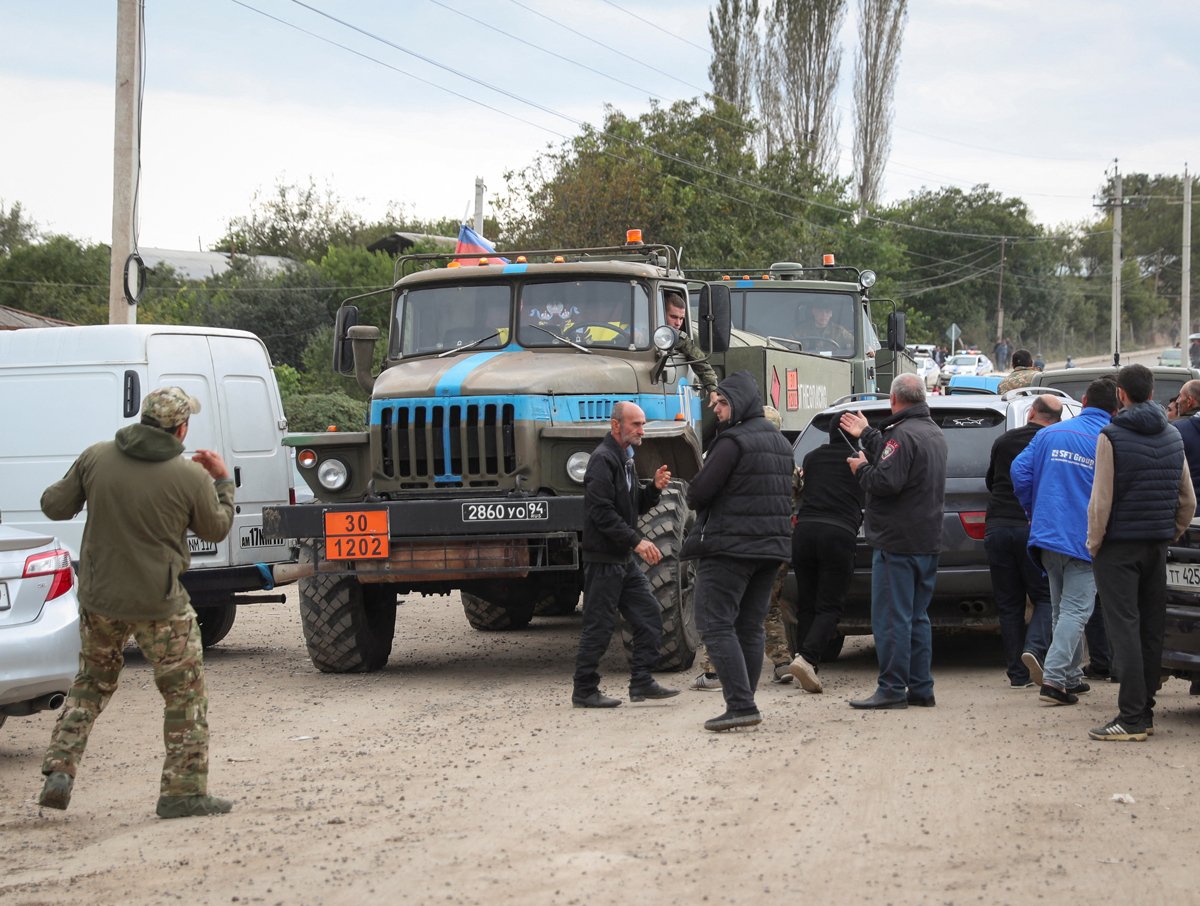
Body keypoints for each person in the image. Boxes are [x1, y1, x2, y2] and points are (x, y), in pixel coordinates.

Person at [37, 387, 236, 818]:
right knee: (184, 694)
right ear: (182, 428)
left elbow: (53, 506)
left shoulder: (97, 456)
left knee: (90, 684)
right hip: (160, 603)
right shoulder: (189, 477)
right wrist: (222, 481)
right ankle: (182, 793)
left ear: (143, 419)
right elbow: (217, 529)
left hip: (99, 597)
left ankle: (60, 770)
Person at [681, 371, 794, 732]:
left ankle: (740, 704)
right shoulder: (780, 443)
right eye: (715, 403)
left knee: (714, 623)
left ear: (741, 402)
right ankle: (746, 702)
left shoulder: (731, 443)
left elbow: (699, 493)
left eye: (723, 402)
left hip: (730, 547)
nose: (717, 409)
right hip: (771, 550)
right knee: (748, 625)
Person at [1086, 364, 1194, 740]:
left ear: (1121, 394)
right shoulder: (1172, 435)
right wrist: (1170, 533)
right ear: (1151, 392)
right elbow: (1188, 500)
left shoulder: (1111, 435)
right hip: (1157, 545)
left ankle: (1130, 718)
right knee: (1150, 629)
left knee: (1124, 630)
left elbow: (1101, 501)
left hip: (1117, 548)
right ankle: (1144, 712)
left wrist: (1094, 544)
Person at [839, 373, 948, 710]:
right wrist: (870, 435)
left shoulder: (901, 436)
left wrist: (860, 468)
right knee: (916, 616)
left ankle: (891, 688)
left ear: (894, 400)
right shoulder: (932, 432)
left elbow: (886, 480)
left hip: (897, 542)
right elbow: (897, 461)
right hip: (926, 540)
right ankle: (920, 686)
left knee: (891, 618)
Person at [1010, 378, 1119, 706]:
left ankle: (1071, 675)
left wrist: (1034, 508)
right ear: (1117, 408)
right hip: (1082, 538)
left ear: (1083, 401)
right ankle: (1056, 679)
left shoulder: (1048, 433)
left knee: (1061, 608)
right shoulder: (1109, 438)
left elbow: (1019, 471)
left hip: (1046, 536)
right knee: (1077, 609)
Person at [571, 401, 679, 708]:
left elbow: (632, 507)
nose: (642, 430)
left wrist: (654, 490)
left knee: (649, 617)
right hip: (604, 560)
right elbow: (601, 513)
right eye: (636, 425)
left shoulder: (626, 459)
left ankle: (641, 682)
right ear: (616, 425)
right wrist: (638, 542)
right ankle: (584, 690)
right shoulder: (602, 460)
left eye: (643, 424)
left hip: (623, 561)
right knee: (599, 626)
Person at [984, 393, 1063, 688]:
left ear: (1031, 412)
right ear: (1057, 420)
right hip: (1034, 528)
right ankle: (1034, 648)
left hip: (998, 527)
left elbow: (991, 481)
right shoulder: (1054, 441)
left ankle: (1017, 673)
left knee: (1009, 604)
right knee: (1044, 596)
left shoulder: (1004, 441)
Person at [786, 419, 865, 693]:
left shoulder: (812, 457)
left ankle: (805, 660)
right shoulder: (859, 460)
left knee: (807, 602)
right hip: (838, 535)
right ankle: (807, 658)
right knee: (830, 605)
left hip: (805, 533)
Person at [663, 290, 719, 409]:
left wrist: (713, 389)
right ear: (662, 313)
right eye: (673, 317)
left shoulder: (680, 339)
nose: (678, 323)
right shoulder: (638, 333)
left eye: (681, 318)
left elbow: (701, 363)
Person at [1172, 379, 1200, 514]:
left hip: (1191, 516)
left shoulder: (1178, 430)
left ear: (1189, 401)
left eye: (1180, 396)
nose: (1177, 400)